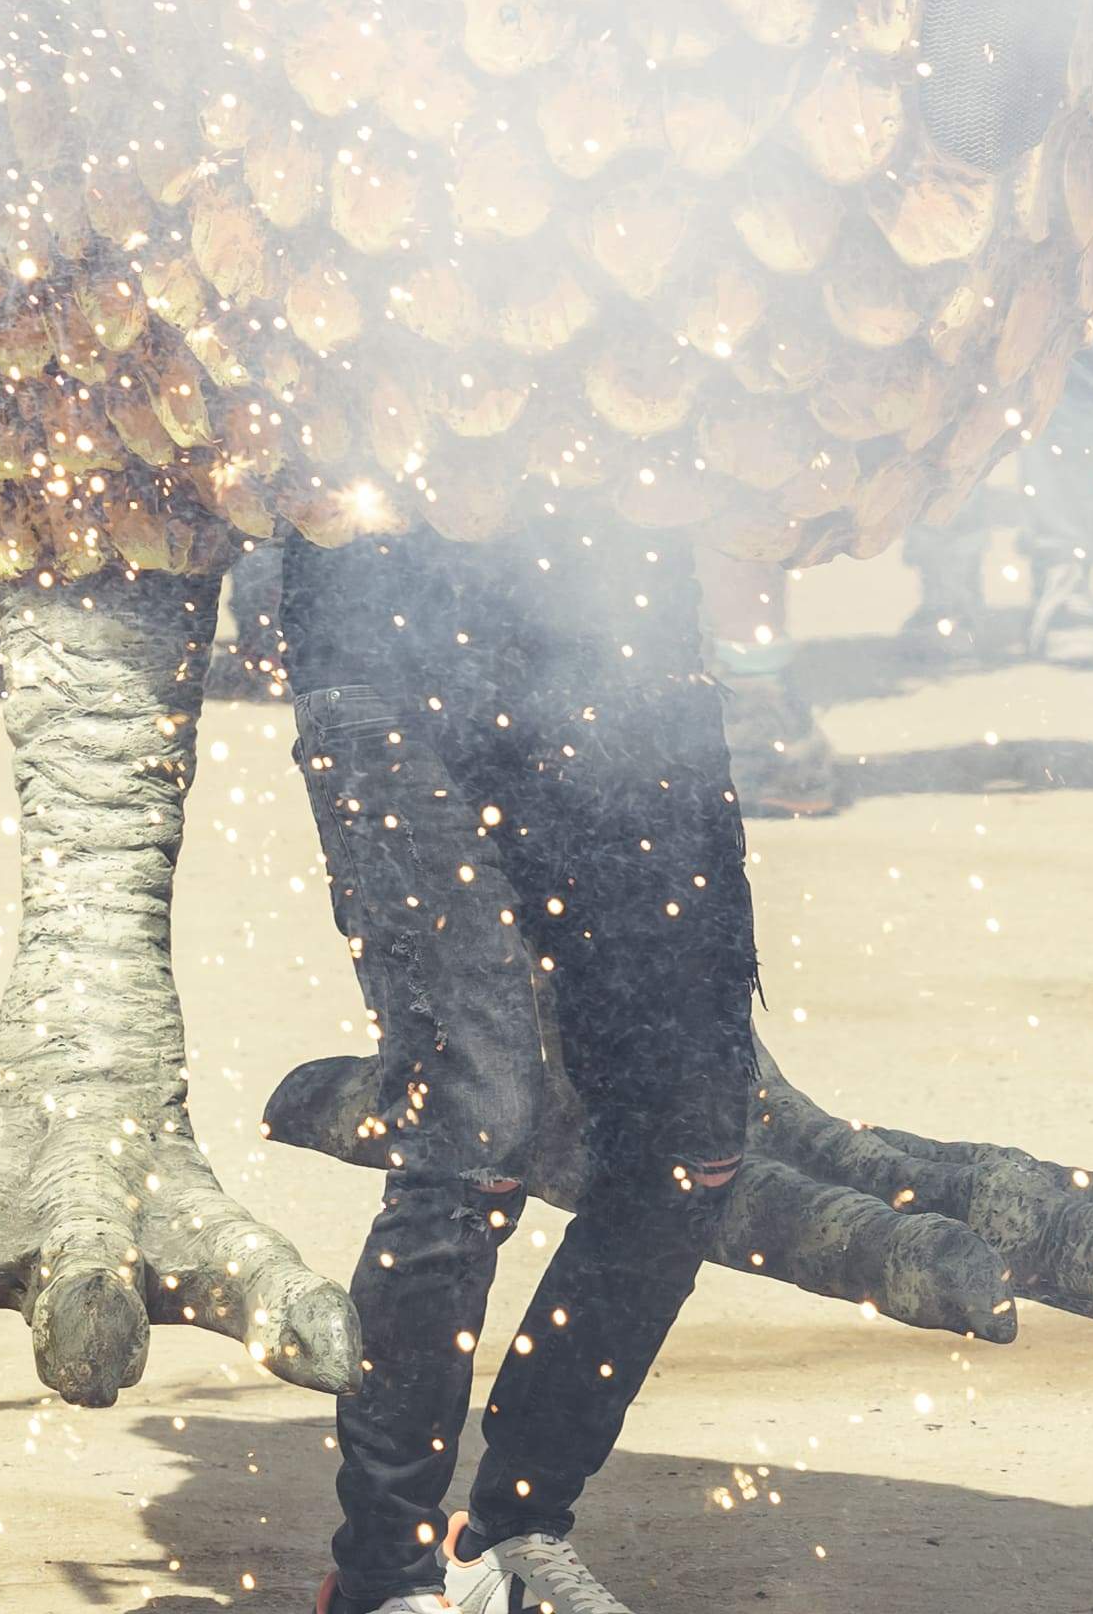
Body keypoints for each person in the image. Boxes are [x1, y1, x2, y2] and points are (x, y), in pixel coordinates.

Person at [283, 509, 755, 1614]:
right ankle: (385, 1567)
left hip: (627, 647)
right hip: (386, 642)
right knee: (472, 1125)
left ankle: (512, 1526)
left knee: (693, 1137)